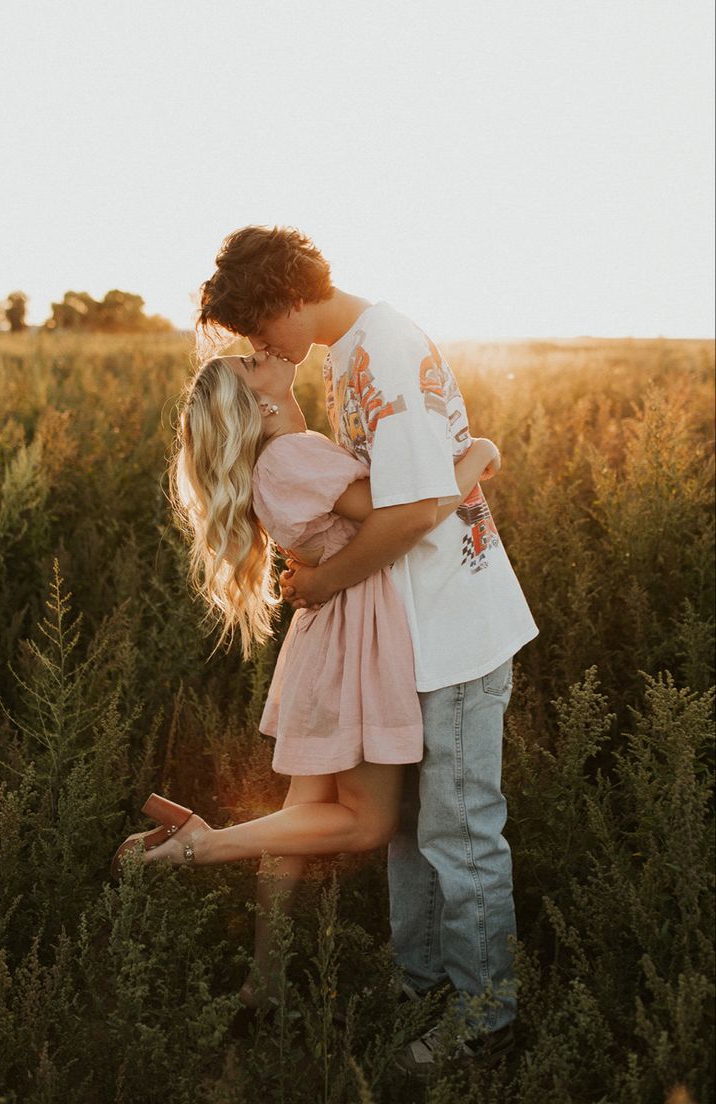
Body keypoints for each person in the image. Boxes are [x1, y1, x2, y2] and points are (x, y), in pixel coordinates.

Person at [195, 225, 539, 1077]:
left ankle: (486, 1018)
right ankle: (423, 986)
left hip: (452, 628)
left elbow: (417, 511)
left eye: (255, 329)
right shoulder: (346, 354)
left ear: (285, 301)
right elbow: (381, 491)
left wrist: (320, 582)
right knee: (411, 833)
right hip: (402, 636)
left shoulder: (383, 348)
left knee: (460, 831)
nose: (258, 347)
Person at [111, 349, 502, 1041]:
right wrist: (478, 454)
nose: (262, 352)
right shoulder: (293, 455)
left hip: (329, 643)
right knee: (368, 822)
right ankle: (200, 845)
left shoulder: (284, 458)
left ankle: (263, 982)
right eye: (248, 361)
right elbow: (405, 516)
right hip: (358, 645)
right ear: (257, 401)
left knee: (297, 824)